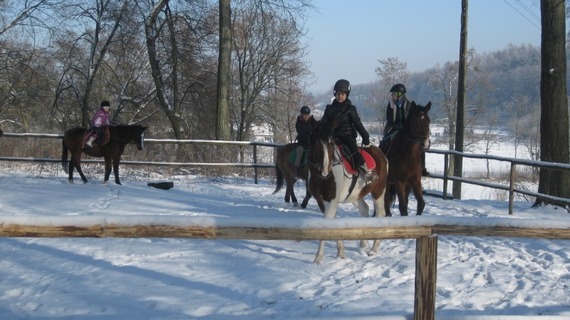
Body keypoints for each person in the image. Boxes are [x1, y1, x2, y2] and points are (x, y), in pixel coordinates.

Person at [321, 79, 374, 181]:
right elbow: (324, 122)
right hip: (333, 136)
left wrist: (365, 135)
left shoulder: (351, 109)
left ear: (347, 95)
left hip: (346, 135)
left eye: (343, 94)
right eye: (338, 94)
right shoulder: (329, 109)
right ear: (335, 94)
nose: (340, 96)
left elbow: (357, 123)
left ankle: (364, 168)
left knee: (353, 148)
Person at [381, 83, 430, 176]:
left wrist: (405, 128)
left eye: (394, 94)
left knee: (420, 146)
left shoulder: (409, 105)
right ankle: (382, 165)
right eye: (392, 94)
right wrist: (396, 126)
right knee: (384, 142)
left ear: (400, 95)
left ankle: (422, 168)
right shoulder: (391, 105)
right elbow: (389, 118)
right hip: (394, 128)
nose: (392, 96)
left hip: (407, 129)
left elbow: (411, 118)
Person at [293, 105, 316, 178]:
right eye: (304, 115)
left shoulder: (312, 121)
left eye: (307, 115)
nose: (306, 116)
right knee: (299, 153)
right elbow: (301, 132)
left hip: (311, 142)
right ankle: (296, 170)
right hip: (302, 142)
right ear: (301, 114)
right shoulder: (299, 122)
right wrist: (309, 136)